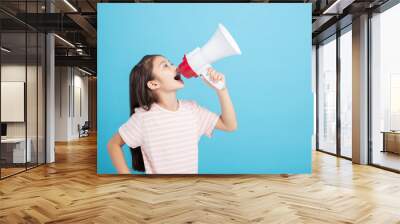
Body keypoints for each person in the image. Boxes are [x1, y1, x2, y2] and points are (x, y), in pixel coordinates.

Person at [107, 55, 237, 174]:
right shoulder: (143, 118)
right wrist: (127, 181)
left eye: (171, 63)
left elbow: (229, 125)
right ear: (153, 84)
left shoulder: (192, 110)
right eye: (165, 65)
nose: (176, 67)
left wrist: (222, 89)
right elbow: (113, 144)